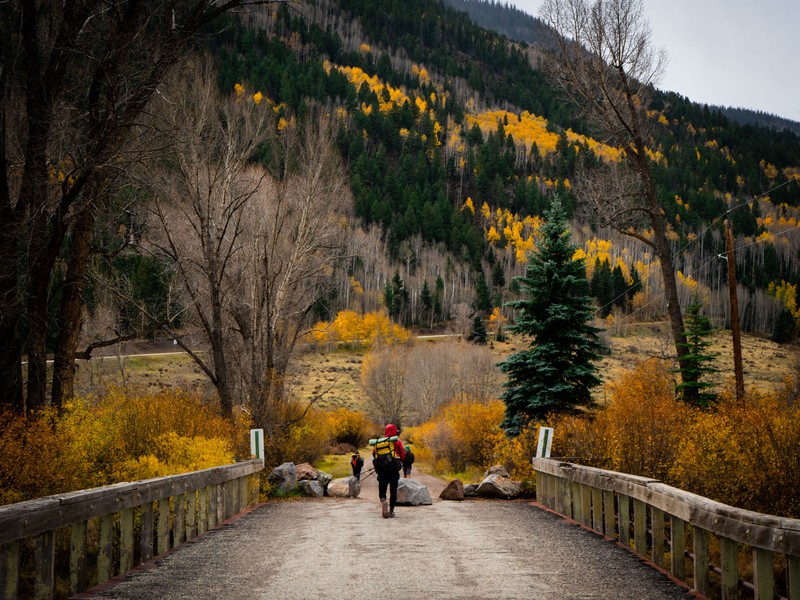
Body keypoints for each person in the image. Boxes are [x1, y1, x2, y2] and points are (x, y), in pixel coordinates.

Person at [373, 423, 405, 518]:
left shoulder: (379, 442)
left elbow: (374, 454)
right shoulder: (397, 442)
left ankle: (383, 500)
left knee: (382, 490)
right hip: (393, 471)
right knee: (393, 491)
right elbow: (403, 455)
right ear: (395, 431)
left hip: (382, 471)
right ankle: (391, 511)